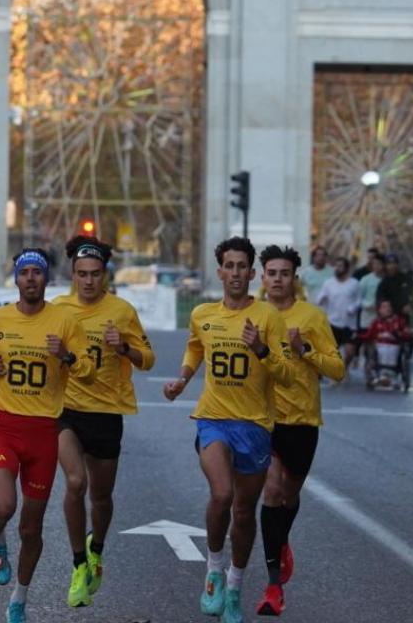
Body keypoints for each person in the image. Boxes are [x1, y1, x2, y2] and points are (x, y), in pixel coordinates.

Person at [162, 236, 294, 623]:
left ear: (252, 274)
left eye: (242, 267)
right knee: (221, 494)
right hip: (213, 418)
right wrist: (183, 379)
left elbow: (286, 375)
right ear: (219, 271)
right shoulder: (203, 313)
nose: (236, 273)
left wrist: (261, 350)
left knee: (243, 511)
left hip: (253, 425)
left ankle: (235, 587)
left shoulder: (269, 318)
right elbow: (195, 347)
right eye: (229, 266)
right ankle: (214, 570)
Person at [0, 249, 93, 623]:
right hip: (4, 427)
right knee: (4, 507)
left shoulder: (65, 321)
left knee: (31, 528)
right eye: (24, 273)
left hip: (44, 434)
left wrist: (66, 356)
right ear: (16, 279)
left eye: (37, 272)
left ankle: (19, 598)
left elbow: (88, 372)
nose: (31, 278)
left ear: (46, 279)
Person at [49, 235, 154, 609]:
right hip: (66, 411)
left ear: (105, 275)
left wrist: (123, 348)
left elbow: (148, 359)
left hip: (107, 413)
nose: (88, 281)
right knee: (75, 483)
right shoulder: (58, 308)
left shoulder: (122, 311)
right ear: (72, 274)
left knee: (102, 496)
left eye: (95, 274)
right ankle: (79, 565)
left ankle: (97, 549)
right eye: (81, 274)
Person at [253, 245, 345, 616]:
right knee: (271, 492)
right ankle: (273, 585)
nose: (277, 279)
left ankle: (282, 539)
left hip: (303, 421)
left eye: (284, 273)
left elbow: (337, 370)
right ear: (264, 278)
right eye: (271, 273)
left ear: (294, 278)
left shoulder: (311, 316)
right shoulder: (253, 315)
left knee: (288, 497)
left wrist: (304, 348)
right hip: (263, 419)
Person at [312, 256, 361, 371]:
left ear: (347, 269)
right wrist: (320, 299)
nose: (337, 269)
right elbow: (320, 297)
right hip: (332, 322)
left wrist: (353, 308)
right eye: (336, 266)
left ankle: (344, 368)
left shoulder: (354, 283)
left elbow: (359, 301)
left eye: (340, 266)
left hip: (349, 323)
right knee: (332, 352)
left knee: (350, 352)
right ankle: (336, 372)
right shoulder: (328, 283)